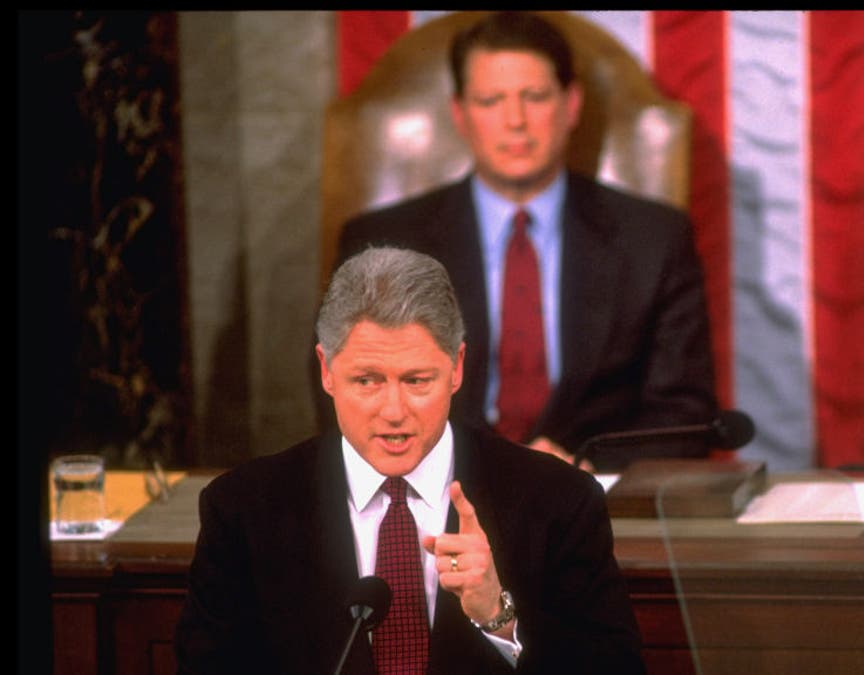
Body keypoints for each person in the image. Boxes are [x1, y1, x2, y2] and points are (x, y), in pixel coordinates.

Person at [175, 247, 646, 674]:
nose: (394, 412)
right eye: (367, 381)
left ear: (457, 368)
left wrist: (497, 618)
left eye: (417, 380)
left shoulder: (559, 502)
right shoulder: (243, 510)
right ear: (326, 371)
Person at [335, 11, 718, 472]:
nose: (515, 121)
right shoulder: (380, 246)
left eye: (534, 97)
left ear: (571, 105)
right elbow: (351, 401)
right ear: (460, 114)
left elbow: (686, 417)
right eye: (491, 100)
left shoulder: (655, 240)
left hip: (597, 504)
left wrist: (582, 465)